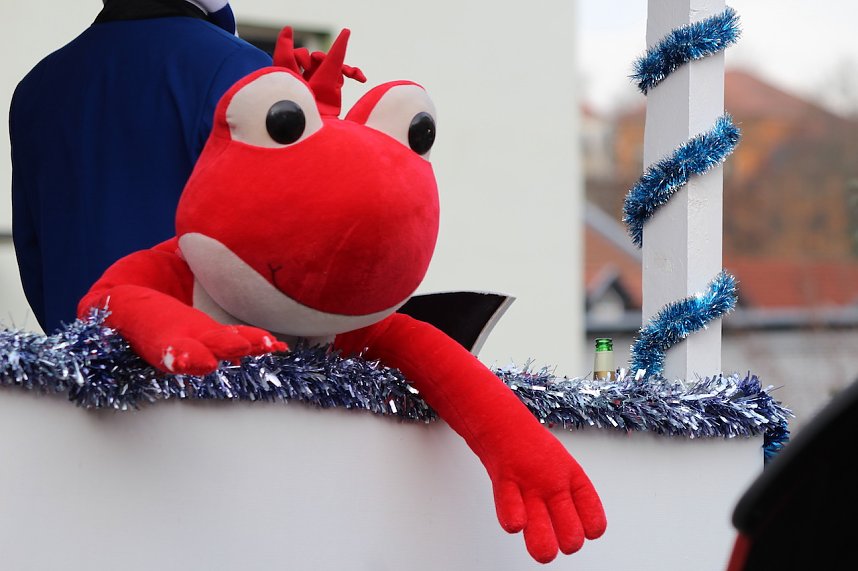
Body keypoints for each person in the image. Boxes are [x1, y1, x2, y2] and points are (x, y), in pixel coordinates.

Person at [9, 0, 272, 333]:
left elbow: (33, 249)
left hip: (77, 357)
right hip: (204, 358)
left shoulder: (36, 85)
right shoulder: (240, 65)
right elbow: (268, 236)